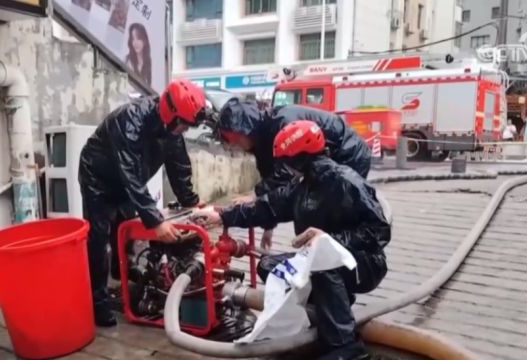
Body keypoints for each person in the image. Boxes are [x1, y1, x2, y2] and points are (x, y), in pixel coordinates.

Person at [194, 120, 390, 360]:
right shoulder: (302, 186)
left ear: (300, 159)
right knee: (271, 267)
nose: (283, 168)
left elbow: (380, 230)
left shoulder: (344, 182)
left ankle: (346, 349)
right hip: (325, 261)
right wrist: (221, 216)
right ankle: (323, 314)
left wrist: (332, 241)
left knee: (322, 265)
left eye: (286, 161)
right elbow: (266, 208)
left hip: (364, 262)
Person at [78, 79, 207, 327]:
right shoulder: (129, 121)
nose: (185, 130)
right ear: (171, 114)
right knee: (99, 238)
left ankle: (121, 273)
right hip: (99, 177)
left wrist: (191, 202)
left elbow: (179, 167)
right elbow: (131, 174)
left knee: (125, 230)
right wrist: (155, 221)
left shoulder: (172, 130)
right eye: (184, 125)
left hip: (127, 180)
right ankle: (97, 302)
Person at [217, 98, 372, 248]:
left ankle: (338, 256)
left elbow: (284, 174)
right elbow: (269, 178)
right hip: (327, 159)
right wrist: (268, 227)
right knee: (309, 206)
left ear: (245, 129)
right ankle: (320, 254)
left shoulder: (282, 125)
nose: (235, 147)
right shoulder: (261, 139)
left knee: (325, 209)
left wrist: (254, 196)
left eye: (235, 142)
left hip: (348, 153)